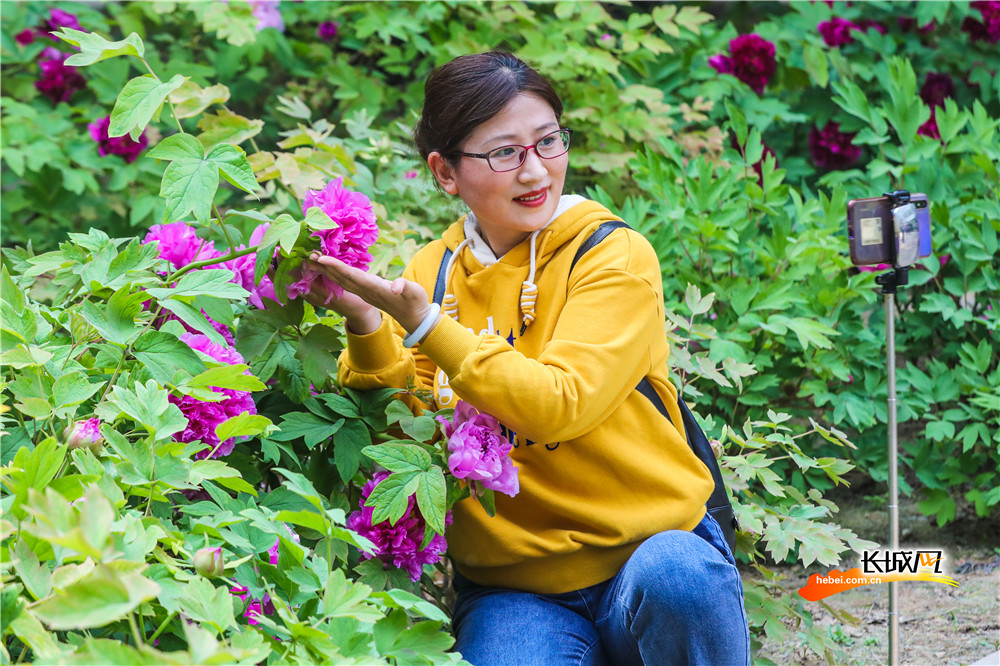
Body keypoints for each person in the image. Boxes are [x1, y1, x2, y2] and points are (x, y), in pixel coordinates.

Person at [306, 51, 750, 666]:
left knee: (680, 577)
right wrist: (363, 321)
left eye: (548, 142)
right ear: (445, 172)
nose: (535, 170)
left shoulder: (610, 255)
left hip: (649, 552)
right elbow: (400, 433)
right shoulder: (431, 276)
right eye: (505, 152)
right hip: (515, 589)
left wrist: (429, 327)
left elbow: (559, 404)